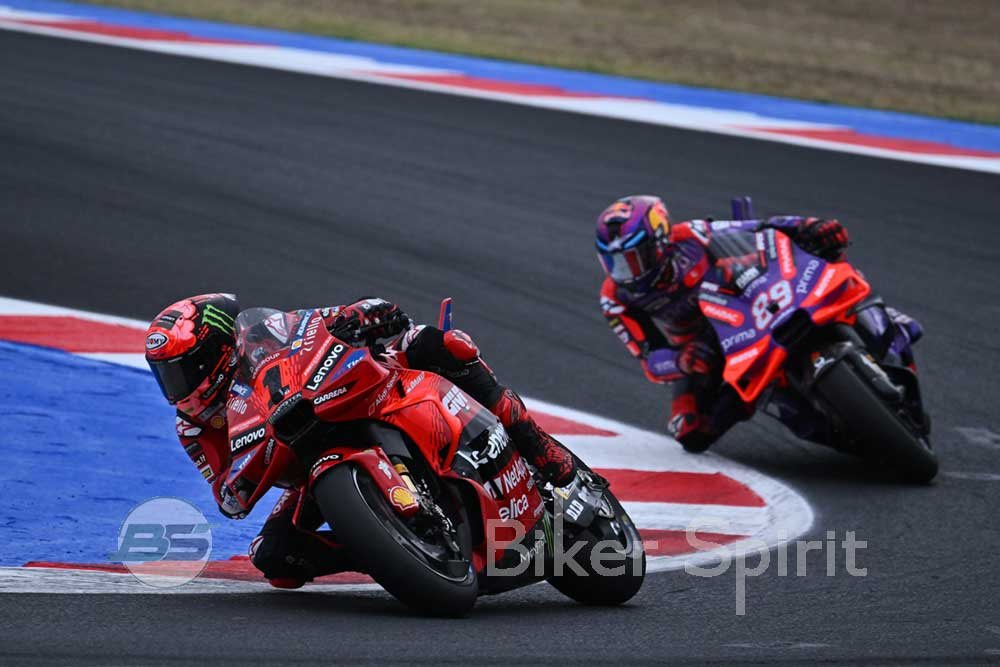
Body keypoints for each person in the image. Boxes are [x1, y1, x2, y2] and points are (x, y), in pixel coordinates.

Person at [144, 294, 576, 587]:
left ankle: (541, 448)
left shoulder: (267, 333)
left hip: (364, 390)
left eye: (184, 369)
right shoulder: (193, 428)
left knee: (439, 344)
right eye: (166, 375)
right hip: (306, 466)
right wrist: (260, 461)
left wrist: (362, 316)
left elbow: (335, 319)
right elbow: (229, 495)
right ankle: (391, 548)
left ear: (220, 348)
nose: (178, 387)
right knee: (274, 558)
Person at [595, 195, 923, 453]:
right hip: (704, 349)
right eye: (615, 262)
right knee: (690, 432)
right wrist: (682, 360)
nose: (627, 273)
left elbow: (760, 227)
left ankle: (881, 317)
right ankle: (835, 432)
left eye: (634, 259)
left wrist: (809, 226)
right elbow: (650, 359)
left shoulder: (692, 235)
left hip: (745, 303)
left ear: (660, 241)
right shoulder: (615, 298)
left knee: (828, 256)